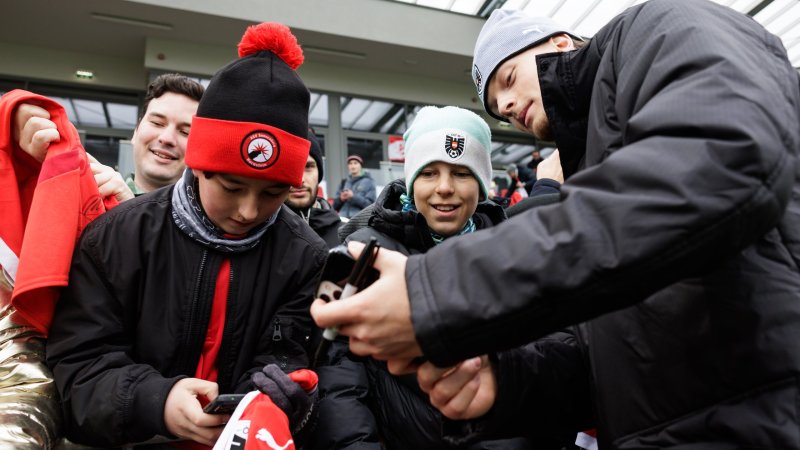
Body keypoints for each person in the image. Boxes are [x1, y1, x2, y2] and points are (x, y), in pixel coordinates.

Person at [310, 0, 800, 448]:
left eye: (507, 79)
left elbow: (718, 165)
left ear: (560, 42)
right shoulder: (595, 164)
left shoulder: (660, 26)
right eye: (495, 106)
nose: (505, 107)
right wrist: (506, 382)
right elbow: (618, 358)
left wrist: (436, 290)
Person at [46, 22, 327, 448]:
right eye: (231, 187)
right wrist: (155, 401)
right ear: (197, 164)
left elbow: (291, 356)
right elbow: (76, 368)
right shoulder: (115, 237)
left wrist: (271, 399)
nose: (248, 211)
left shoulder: (306, 256)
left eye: (273, 194)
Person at [312, 105, 542, 449]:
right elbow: (339, 373)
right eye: (430, 173)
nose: (444, 188)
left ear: (482, 186)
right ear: (411, 182)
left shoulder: (514, 252)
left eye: (462, 173)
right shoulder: (364, 254)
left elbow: (535, 366)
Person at [127, 73, 204, 195]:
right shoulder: (97, 201)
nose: (167, 138)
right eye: (157, 123)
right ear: (136, 131)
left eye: (185, 132)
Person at [284, 131, 342, 248]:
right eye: (290, 167)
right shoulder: (258, 235)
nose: (300, 180)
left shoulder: (347, 233)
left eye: (308, 167)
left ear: (319, 173)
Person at [334, 154, 376, 218]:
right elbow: (334, 206)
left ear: (360, 165)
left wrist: (353, 197)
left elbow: (371, 206)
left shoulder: (369, 182)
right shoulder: (343, 182)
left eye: (355, 163)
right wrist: (341, 199)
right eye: (350, 163)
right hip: (342, 219)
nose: (352, 166)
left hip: (359, 220)